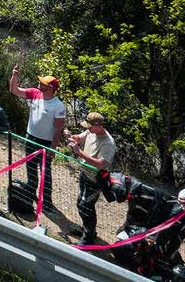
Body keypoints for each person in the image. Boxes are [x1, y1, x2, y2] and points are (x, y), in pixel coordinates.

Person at [8, 67, 67, 187]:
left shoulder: (58, 105)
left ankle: (46, 197)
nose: (39, 83)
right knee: (30, 168)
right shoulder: (34, 93)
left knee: (45, 172)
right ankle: (31, 191)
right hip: (30, 138)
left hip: (46, 143)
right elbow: (14, 90)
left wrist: (53, 148)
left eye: (43, 83)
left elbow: (58, 130)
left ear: (50, 88)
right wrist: (14, 75)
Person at [68, 112, 118, 241]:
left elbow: (101, 164)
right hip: (85, 174)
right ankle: (87, 230)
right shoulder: (91, 131)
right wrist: (70, 136)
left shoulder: (108, 143)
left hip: (96, 179)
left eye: (90, 126)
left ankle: (88, 238)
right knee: (81, 202)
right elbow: (79, 138)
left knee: (85, 205)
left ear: (99, 126)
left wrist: (79, 152)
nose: (88, 128)